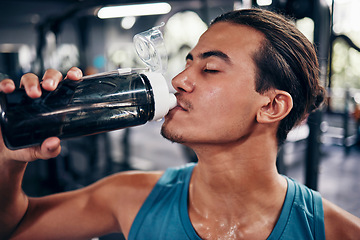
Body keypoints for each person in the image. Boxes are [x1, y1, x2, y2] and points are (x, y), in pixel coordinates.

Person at [0, 8, 359, 240]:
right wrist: (8, 159)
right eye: (188, 63)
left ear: (272, 106)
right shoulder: (130, 197)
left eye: (210, 69)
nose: (179, 80)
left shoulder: (336, 232)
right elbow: (14, 228)